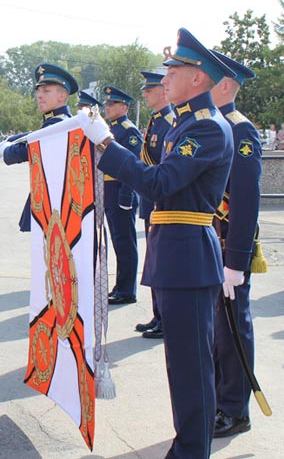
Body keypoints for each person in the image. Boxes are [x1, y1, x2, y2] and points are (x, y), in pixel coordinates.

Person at [79, 28, 236, 458]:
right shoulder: (184, 122)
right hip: (174, 251)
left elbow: (161, 182)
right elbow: (156, 188)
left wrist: (107, 146)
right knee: (181, 366)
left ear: (198, 78)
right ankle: (187, 445)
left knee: (191, 369)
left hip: (188, 254)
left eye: (174, 69)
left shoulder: (205, 129)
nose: (165, 78)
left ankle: (191, 451)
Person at [209, 51, 262, 438]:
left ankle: (234, 409)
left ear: (225, 85)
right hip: (208, 241)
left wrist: (237, 261)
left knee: (231, 329)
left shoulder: (240, 130)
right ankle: (217, 400)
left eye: (207, 78)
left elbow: (245, 201)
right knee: (214, 329)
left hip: (229, 245)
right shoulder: (209, 124)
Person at [2, 63, 79, 232]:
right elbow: (32, 137)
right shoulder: (59, 121)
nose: (39, 96)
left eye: (46, 91)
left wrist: (4, 149)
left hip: (53, 205)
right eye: (38, 91)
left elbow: (20, 153)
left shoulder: (57, 124)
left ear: (62, 95)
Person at [134, 71, 175, 338]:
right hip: (151, 200)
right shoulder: (156, 121)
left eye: (150, 89)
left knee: (162, 263)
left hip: (161, 201)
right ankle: (157, 313)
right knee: (154, 261)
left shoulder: (170, 122)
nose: (145, 93)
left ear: (163, 91)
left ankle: (166, 317)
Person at [101, 85, 143, 305]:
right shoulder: (112, 129)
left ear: (124, 107)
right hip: (109, 191)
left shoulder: (129, 131)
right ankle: (120, 286)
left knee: (125, 243)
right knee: (118, 242)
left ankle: (127, 289)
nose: (107, 107)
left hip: (120, 191)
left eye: (112, 104)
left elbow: (133, 165)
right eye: (106, 104)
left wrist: (127, 196)